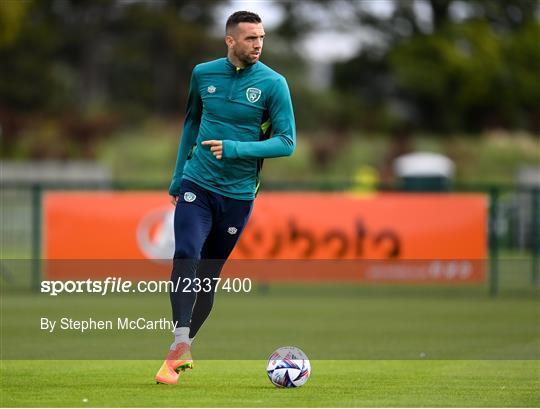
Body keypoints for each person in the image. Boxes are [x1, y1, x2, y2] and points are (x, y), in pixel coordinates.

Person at [155, 10, 296, 385]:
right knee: (186, 253)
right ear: (230, 40)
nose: (258, 45)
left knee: (208, 278)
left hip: (237, 195)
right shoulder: (203, 74)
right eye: (251, 38)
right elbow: (191, 122)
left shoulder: (274, 84)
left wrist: (234, 148)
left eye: (262, 37)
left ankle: (180, 348)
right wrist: (177, 177)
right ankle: (180, 341)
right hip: (196, 182)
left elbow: (287, 143)